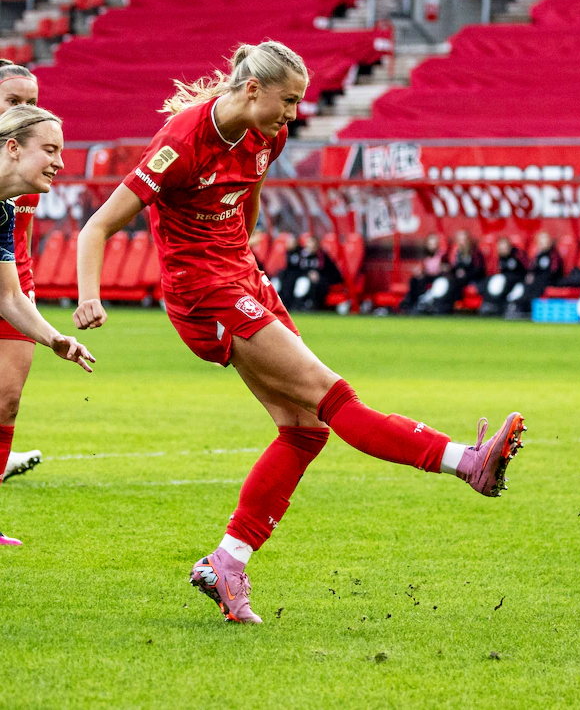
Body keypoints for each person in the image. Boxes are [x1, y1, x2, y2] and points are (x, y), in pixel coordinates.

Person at [73, 41, 524, 623]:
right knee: (330, 394)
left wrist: (243, 262)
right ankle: (467, 461)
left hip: (244, 281)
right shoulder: (183, 142)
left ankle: (226, 563)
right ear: (252, 88)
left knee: (305, 428)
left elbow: (247, 209)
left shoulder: (267, 137)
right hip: (203, 296)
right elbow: (97, 226)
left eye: (299, 104)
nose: (293, 116)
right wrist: (89, 298)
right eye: (287, 102)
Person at [0, 106, 97, 547]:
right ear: (14, 148)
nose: (60, 162)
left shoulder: (3, 212)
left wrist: (55, 339)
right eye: (51, 150)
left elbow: (8, 297)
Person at [0, 62, 50, 491]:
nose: (25, 109)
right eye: (14, 101)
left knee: (8, 402)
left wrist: (24, 287)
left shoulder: (31, 168)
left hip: (12, 286)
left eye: (32, 102)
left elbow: (21, 236)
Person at [507, 231, 565, 316]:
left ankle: (526, 310)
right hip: (537, 281)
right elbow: (533, 268)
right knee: (524, 286)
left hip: (548, 281)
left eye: (545, 241)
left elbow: (554, 272)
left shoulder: (554, 255)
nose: (543, 244)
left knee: (534, 288)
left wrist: (539, 278)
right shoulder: (537, 255)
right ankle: (515, 305)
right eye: (541, 242)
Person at [278, 232, 341, 311]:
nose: (311, 246)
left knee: (312, 284)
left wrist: (318, 275)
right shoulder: (301, 255)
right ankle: (295, 304)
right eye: (309, 244)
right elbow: (294, 268)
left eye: (313, 244)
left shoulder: (323, 256)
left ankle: (311, 305)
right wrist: (308, 273)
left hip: (320, 280)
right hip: (302, 277)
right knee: (299, 282)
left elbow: (332, 271)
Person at [399, 233, 446, 312]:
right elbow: (422, 268)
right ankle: (413, 301)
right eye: (430, 244)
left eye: (434, 243)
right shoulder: (424, 255)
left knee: (423, 280)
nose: (432, 246)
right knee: (414, 279)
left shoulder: (441, 255)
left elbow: (443, 268)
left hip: (438, 277)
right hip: (427, 276)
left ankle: (419, 302)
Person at [481, 236, 526, 315]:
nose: (503, 250)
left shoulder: (518, 255)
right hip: (505, 283)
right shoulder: (498, 259)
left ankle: (509, 307)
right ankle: (491, 305)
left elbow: (526, 269)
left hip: (518, 282)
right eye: (501, 248)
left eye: (505, 248)